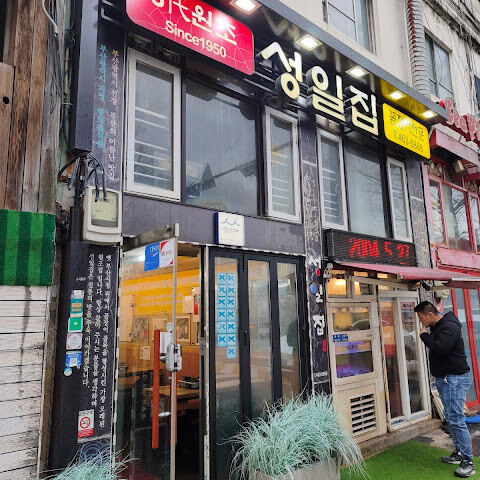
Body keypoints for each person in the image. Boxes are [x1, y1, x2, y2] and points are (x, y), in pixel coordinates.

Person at [415, 301, 475, 478]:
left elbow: (441, 348)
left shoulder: (449, 326)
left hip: (453, 379)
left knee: (456, 418)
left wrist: (424, 336)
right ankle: (459, 453)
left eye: (421, 317)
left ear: (429, 314)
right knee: (450, 417)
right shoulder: (440, 326)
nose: (420, 321)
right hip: (448, 378)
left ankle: (468, 462)